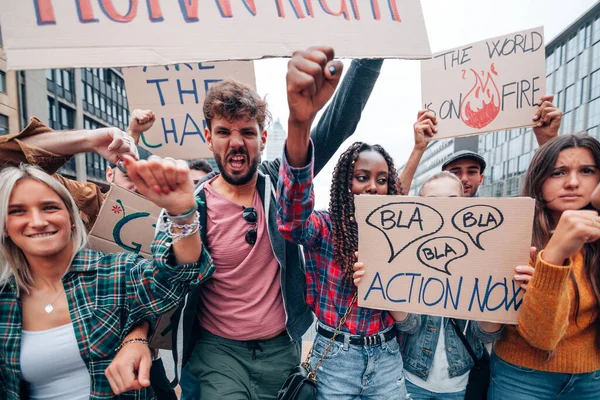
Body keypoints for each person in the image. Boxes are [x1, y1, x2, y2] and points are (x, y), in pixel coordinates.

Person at [162, 47, 387, 400]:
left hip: (281, 353)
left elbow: (337, 124)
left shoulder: (279, 186)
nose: (236, 143)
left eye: (247, 133)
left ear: (263, 138)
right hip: (218, 354)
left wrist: (372, 53)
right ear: (208, 138)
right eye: (224, 132)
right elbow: (166, 275)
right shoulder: (190, 204)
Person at [277, 49, 438, 397]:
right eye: (362, 176)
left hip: (386, 356)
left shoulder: (396, 233)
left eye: (381, 180)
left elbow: (400, 198)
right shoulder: (323, 227)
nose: (372, 186)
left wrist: (418, 149)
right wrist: (299, 133)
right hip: (335, 357)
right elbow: (291, 222)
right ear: (343, 184)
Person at [0, 155, 214, 399]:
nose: (37, 222)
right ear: (5, 226)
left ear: (72, 217)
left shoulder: (114, 272)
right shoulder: (5, 299)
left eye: (49, 207)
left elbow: (178, 275)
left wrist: (182, 215)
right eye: (18, 212)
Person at [490, 134, 600, 399]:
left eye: (586, 171)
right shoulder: (512, 237)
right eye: (557, 173)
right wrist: (554, 257)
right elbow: (543, 338)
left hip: (592, 375)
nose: (573, 183)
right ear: (539, 181)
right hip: (522, 377)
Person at [412, 95, 562, 197]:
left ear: (481, 178)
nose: (464, 179)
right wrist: (419, 148)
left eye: (471, 172)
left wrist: (548, 140)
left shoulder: (498, 216)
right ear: (444, 176)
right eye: (455, 173)